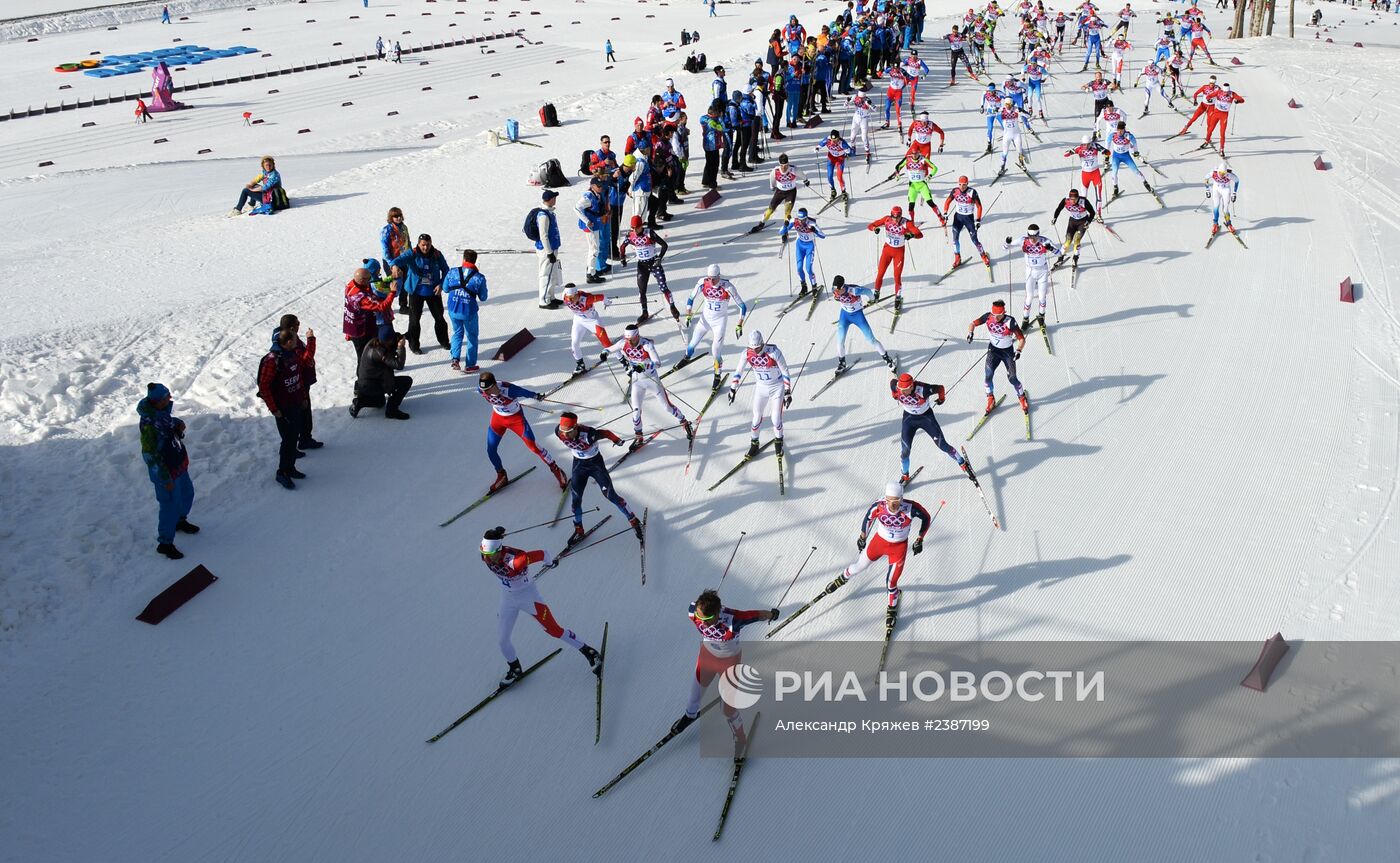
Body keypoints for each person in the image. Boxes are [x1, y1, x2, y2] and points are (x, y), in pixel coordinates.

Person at [480, 527, 603, 686]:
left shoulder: (517, 561)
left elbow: (543, 553)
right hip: (508, 599)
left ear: (499, 550)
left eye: (491, 555)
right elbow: (489, 546)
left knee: (554, 630)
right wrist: (496, 532)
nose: (489, 559)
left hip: (528, 597)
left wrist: (550, 563)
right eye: (486, 555)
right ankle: (515, 668)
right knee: (502, 640)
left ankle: (589, 652)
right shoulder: (486, 555)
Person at [669, 589, 777, 754]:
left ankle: (741, 739)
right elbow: (699, 611)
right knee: (693, 698)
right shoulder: (693, 611)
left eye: (706, 619)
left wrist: (771, 614)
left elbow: (757, 615)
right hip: (706, 658)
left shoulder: (734, 619)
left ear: (717, 613)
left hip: (729, 663)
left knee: (728, 710)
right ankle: (689, 717)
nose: (701, 623)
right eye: (699, 618)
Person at [832, 483, 933, 608]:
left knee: (891, 583)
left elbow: (926, 518)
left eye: (896, 500)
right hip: (879, 543)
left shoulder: (911, 508)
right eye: (889, 500)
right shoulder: (879, 506)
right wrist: (862, 537)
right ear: (885, 498)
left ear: (901, 498)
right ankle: (843, 577)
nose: (892, 505)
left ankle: (892, 607)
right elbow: (868, 518)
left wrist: (920, 539)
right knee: (859, 566)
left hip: (898, 548)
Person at [553, 413, 644, 543]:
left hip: (595, 465)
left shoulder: (589, 434)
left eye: (568, 432)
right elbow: (563, 432)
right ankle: (579, 530)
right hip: (578, 465)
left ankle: (634, 521)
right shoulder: (559, 431)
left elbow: (606, 433)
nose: (565, 435)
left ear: (576, 427)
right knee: (575, 501)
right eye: (563, 431)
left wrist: (617, 440)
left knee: (610, 495)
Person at [601, 324, 694, 449]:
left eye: (631, 339)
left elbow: (658, 363)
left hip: (651, 380)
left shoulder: (646, 345)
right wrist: (604, 353)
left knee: (666, 407)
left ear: (637, 336)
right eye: (627, 339)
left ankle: (684, 422)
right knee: (635, 412)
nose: (629, 342)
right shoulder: (623, 343)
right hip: (637, 382)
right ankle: (639, 437)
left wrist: (644, 366)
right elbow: (610, 348)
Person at [476, 371, 568, 492]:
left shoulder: (509, 390)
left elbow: (525, 392)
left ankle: (557, 470)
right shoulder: (481, 389)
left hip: (516, 420)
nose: (485, 392)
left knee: (534, 447)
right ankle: (501, 475)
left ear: (494, 385)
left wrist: (537, 396)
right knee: (491, 449)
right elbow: (484, 391)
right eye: (484, 390)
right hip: (498, 419)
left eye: (488, 389)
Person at [138, 382, 197, 559]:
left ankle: (180, 521)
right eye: (167, 397)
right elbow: (150, 455)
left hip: (178, 465)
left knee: (187, 493)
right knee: (169, 505)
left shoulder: (161, 414)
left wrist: (178, 424)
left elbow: (169, 423)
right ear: (157, 401)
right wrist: (164, 478)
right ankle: (165, 543)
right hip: (166, 473)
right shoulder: (149, 425)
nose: (170, 399)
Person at [890, 372, 976, 484]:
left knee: (943, 445)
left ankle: (962, 462)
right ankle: (905, 474)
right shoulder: (896, 386)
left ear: (911, 386)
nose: (902, 391)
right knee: (905, 451)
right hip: (909, 419)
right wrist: (894, 394)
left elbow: (940, 388)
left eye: (905, 389)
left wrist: (941, 399)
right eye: (900, 388)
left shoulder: (924, 389)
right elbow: (892, 383)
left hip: (926, 417)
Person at [256, 329, 309, 489]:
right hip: (283, 408)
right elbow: (264, 387)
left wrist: (304, 397)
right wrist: (274, 409)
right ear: (287, 342)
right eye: (294, 339)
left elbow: (299, 377)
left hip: (295, 403)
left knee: (293, 437)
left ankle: (290, 467)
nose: (297, 341)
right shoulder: (272, 360)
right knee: (288, 440)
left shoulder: (291, 354)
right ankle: (282, 472)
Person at [727, 329, 792, 459]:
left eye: (757, 348)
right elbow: (739, 370)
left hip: (776, 388)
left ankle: (778, 444)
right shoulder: (746, 353)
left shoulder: (774, 353)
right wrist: (733, 388)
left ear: (762, 344)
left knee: (775, 419)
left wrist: (787, 392)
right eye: (752, 348)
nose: (755, 351)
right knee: (756, 418)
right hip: (761, 388)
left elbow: (785, 371)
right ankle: (754, 444)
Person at [685, 264, 748, 391]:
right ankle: (686, 357)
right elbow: (691, 298)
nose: (711, 281)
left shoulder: (728, 286)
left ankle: (717, 374)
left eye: (714, 278)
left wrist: (739, 324)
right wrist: (688, 314)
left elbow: (742, 306)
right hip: (705, 320)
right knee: (692, 345)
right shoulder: (703, 282)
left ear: (719, 276)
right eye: (709, 278)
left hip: (719, 322)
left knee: (715, 352)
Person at [387, 233, 450, 354]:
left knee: (439, 318)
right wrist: (394, 266)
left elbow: (446, 270)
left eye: (428, 244)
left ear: (431, 243)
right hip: (416, 292)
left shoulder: (437, 254)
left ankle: (444, 341)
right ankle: (414, 345)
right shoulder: (413, 253)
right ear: (419, 244)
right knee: (414, 320)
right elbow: (396, 260)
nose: (425, 247)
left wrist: (441, 284)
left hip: (433, 291)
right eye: (423, 245)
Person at [967, 299, 1028, 416]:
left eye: (998, 316)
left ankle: (1021, 397)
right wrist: (970, 333)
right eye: (994, 315)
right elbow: (972, 324)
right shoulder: (988, 317)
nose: (995, 318)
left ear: (1003, 313)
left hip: (1007, 353)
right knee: (988, 375)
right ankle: (990, 398)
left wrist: (1019, 350)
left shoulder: (1010, 321)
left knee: (1012, 378)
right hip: (993, 350)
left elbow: (1021, 339)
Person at [273, 315, 321, 450]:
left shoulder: (288, 338)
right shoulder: (291, 341)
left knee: (302, 413)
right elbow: (306, 359)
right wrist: (311, 339)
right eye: (298, 323)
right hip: (299, 382)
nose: (300, 325)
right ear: (293, 327)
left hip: (298, 381)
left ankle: (302, 440)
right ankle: (301, 441)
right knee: (302, 413)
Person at [830, 276, 895, 372]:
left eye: (837, 290)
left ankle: (887, 359)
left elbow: (868, 291)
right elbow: (837, 297)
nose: (835, 292)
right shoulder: (834, 290)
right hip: (844, 316)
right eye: (834, 289)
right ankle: (842, 363)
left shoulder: (854, 290)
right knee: (840, 341)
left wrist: (872, 299)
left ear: (843, 287)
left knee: (871, 340)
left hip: (857, 316)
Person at [619, 216, 678, 323]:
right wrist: (622, 258)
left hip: (654, 264)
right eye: (633, 228)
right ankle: (644, 312)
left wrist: (659, 258)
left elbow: (664, 245)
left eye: (637, 227)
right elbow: (622, 247)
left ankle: (672, 306)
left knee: (663, 288)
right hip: (642, 266)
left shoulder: (649, 233)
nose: (635, 230)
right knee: (642, 291)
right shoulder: (630, 235)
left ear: (641, 226)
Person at [1002, 225, 1059, 330]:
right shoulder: (1023, 240)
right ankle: (1025, 319)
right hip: (1030, 271)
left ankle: (1041, 317)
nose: (1033, 239)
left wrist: (1050, 248)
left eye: (1035, 236)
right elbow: (1005, 248)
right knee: (1029, 297)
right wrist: (1007, 243)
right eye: (1030, 236)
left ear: (1038, 234)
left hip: (1042, 271)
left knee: (1042, 297)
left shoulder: (1045, 241)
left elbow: (1060, 253)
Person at [866, 206, 924, 309]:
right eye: (894, 217)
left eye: (898, 218)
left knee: (897, 276)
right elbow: (871, 225)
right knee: (880, 273)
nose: (895, 220)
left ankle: (898, 297)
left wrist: (911, 235)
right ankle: (876, 293)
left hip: (899, 253)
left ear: (901, 216)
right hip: (887, 251)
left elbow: (919, 234)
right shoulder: (887, 219)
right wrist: (875, 229)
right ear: (891, 215)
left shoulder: (907, 223)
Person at [444, 249, 488, 373]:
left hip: (453, 309)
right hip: (469, 312)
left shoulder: (452, 272)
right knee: (472, 337)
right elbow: (483, 297)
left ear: (463, 259)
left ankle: (455, 359)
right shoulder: (479, 278)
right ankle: (470, 364)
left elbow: (445, 288)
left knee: (457, 333)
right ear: (475, 260)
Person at [350, 334, 412, 420]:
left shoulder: (373, 343)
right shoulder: (380, 352)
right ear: (388, 341)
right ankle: (392, 411)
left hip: (365, 383)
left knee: (380, 402)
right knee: (407, 381)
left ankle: (360, 402)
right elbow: (399, 365)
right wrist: (401, 347)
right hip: (372, 385)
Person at [343, 265, 397, 361]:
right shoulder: (361, 297)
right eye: (369, 279)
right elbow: (381, 307)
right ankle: (363, 375)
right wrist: (392, 292)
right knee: (364, 357)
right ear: (362, 280)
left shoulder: (351, 284)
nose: (370, 281)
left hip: (352, 327)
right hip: (361, 331)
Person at [561, 284, 614, 373]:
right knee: (574, 344)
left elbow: (602, 296)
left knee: (607, 344)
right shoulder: (564, 296)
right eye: (568, 298)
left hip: (592, 321)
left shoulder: (587, 299)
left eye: (572, 298)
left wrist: (606, 302)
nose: (570, 300)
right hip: (578, 320)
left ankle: (624, 363)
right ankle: (580, 365)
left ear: (576, 294)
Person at [943, 175, 990, 270]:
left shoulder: (972, 192)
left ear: (967, 184)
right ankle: (957, 258)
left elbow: (979, 206)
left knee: (974, 240)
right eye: (960, 184)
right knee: (955, 239)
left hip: (969, 219)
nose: (962, 187)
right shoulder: (955, 191)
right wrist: (945, 212)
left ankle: (983, 256)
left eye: (964, 185)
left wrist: (978, 220)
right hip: (958, 218)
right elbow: (947, 201)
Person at [526, 190, 563, 309]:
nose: (555, 199)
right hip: (547, 249)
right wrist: (549, 252)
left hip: (552, 247)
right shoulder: (543, 215)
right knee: (545, 274)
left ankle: (550, 296)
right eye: (554, 197)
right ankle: (543, 300)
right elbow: (543, 235)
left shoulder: (549, 212)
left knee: (552, 273)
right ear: (549, 199)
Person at [779, 207, 825, 294]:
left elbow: (823, 236)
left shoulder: (812, 223)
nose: (801, 222)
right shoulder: (794, 221)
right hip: (799, 246)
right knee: (799, 268)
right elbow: (781, 232)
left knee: (808, 269)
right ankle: (804, 287)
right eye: (799, 219)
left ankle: (814, 287)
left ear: (806, 218)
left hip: (809, 247)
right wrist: (785, 226)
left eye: (803, 220)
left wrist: (815, 231)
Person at [758, 153, 808, 228]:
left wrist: (806, 180)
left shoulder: (793, 169)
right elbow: (772, 179)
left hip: (790, 193)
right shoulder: (775, 171)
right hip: (779, 192)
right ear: (779, 164)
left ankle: (785, 229)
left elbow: (802, 175)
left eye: (785, 165)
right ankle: (761, 223)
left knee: (787, 213)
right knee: (770, 210)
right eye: (781, 165)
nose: (783, 168)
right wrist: (772, 186)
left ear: (788, 164)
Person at [575, 176, 610, 284]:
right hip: (590, 226)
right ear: (592, 186)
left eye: (601, 186)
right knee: (594, 249)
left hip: (595, 224)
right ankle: (591, 274)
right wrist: (586, 221)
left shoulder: (597, 194)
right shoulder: (588, 197)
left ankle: (592, 270)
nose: (601, 188)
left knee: (595, 248)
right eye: (598, 186)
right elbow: (576, 207)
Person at [1050, 188, 1096, 269]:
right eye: (1072, 199)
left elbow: (1092, 212)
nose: (1073, 201)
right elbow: (1058, 209)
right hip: (1072, 222)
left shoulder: (1083, 201)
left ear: (1078, 198)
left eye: (1075, 199)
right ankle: (1060, 258)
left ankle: (1075, 258)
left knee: (1077, 239)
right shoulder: (1066, 200)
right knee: (1068, 241)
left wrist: (1088, 222)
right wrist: (1055, 218)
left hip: (1082, 222)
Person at [380, 207, 411, 314]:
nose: (398, 218)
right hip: (391, 261)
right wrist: (392, 264)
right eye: (395, 216)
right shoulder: (386, 230)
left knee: (405, 283)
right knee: (393, 284)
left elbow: (408, 242)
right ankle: (385, 305)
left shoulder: (404, 227)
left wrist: (412, 256)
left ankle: (403, 306)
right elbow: (385, 249)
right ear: (391, 217)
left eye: (399, 215)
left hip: (404, 260)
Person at [1205, 162, 1240, 236]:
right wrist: (1207, 190)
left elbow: (1237, 181)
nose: (1221, 175)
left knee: (1225, 209)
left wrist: (1234, 193)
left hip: (1225, 190)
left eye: (1223, 173)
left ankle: (1229, 224)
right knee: (1216, 206)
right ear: (1218, 171)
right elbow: (1206, 178)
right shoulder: (1213, 173)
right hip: (1216, 189)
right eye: (1220, 172)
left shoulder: (1229, 175)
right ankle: (1215, 224)